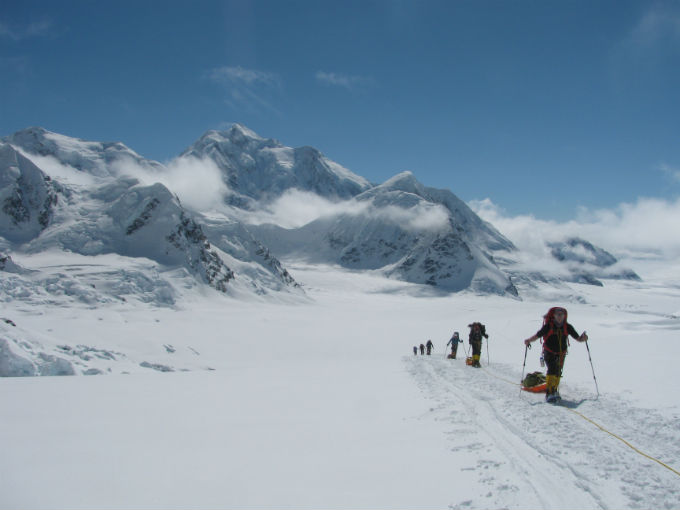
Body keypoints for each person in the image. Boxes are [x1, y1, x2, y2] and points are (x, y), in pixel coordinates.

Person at [524, 306, 588, 403]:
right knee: (552, 369)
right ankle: (550, 392)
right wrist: (529, 340)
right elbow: (538, 335)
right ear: (553, 316)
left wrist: (583, 338)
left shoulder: (568, 327)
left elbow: (578, 338)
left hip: (561, 353)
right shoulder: (548, 326)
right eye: (558, 315)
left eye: (561, 315)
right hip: (549, 351)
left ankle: (554, 390)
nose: (560, 317)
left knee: (558, 371)